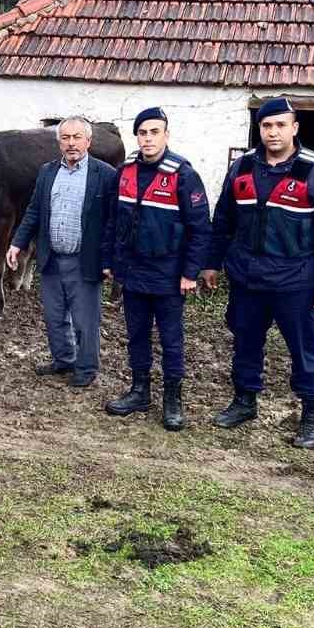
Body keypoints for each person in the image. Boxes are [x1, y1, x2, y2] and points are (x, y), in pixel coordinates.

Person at [202, 97, 314, 449]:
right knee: (245, 341)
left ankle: (312, 417)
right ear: (260, 129)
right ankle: (244, 401)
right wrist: (211, 263)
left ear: (294, 128)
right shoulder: (243, 168)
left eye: (281, 125)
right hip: (247, 278)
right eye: (267, 126)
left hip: (297, 280)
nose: (273, 132)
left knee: (304, 349)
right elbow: (223, 221)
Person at [103, 107, 211, 431]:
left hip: (169, 274)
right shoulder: (123, 173)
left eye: (154, 132)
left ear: (166, 135)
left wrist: (190, 273)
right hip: (132, 272)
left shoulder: (183, 175)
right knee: (136, 335)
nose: (148, 138)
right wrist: (108, 262)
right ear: (136, 136)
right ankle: (139, 392)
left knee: (171, 340)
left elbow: (200, 228)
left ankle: (172, 400)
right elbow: (111, 222)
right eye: (142, 133)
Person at [6, 116, 119, 388]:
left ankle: (87, 368)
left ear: (88, 141)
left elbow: (114, 222)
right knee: (54, 316)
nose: (71, 143)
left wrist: (109, 259)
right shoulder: (47, 171)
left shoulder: (105, 175)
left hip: (84, 261)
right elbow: (34, 211)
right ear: (59, 143)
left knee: (84, 320)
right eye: (65, 138)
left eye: (77, 137)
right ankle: (63, 359)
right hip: (51, 258)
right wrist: (17, 243)